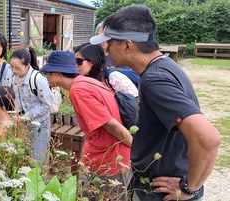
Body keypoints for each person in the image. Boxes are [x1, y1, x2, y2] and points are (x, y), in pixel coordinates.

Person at [90, 4, 221, 201]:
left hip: (160, 194)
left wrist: (189, 187)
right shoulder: (163, 65)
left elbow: (208, 139)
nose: (105, 50)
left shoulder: (155, 80)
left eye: (109, 43)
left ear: (127, 45)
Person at [41, 50, 133, 200]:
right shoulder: (87, 81)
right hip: (115, 155)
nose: (46, 77)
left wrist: (134, 147)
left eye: (47, 73)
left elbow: (111, 124)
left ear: (56, 73)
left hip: (110, 160)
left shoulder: (78, 91)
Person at [10, 47, 52, 166]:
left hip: (39, 126)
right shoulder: (14, 77)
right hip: (22, 125)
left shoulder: (38, 79)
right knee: (24, 159)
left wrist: (25, 116)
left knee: (38, 161)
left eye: (17, 68)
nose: (13, 70)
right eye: (11, 67)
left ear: (28, 66)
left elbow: (47, 105)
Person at [74, 42, 138, 97]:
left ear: (92, 61)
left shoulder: (114, 77)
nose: (76, 65)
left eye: (79, 61)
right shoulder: (88, 80)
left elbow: (135, 101)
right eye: (74, 61)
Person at [96, 22, 140, 97]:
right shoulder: (95, 57)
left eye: (104, 37)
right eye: (98, 36)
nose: (101, 41)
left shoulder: (123, 59)